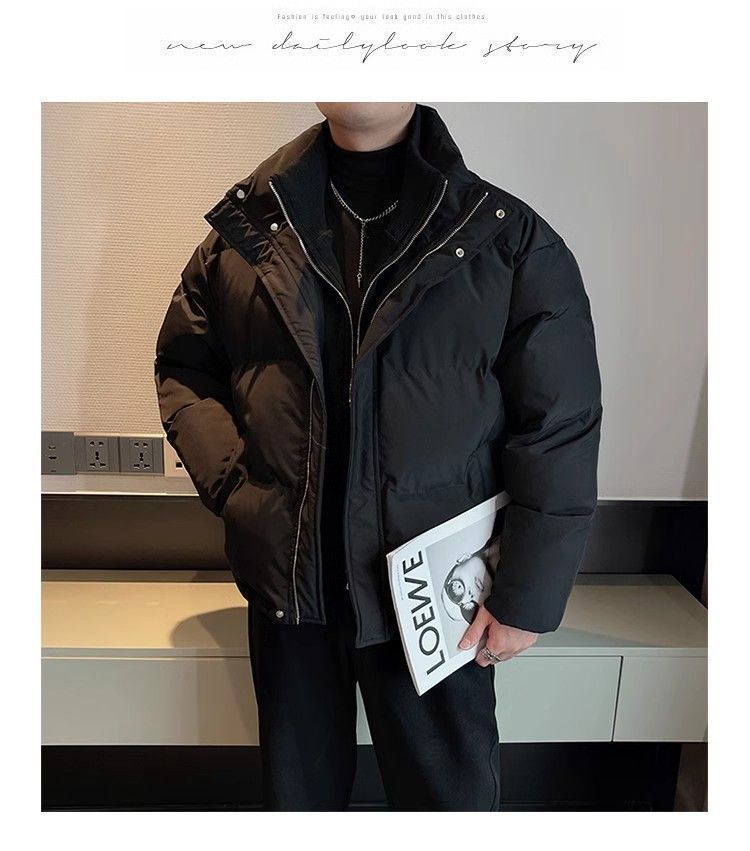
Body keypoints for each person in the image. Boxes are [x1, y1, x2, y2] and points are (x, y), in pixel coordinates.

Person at [153, 102, 603, 811]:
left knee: (447, 811)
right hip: (292, 593)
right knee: (298, 812)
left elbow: (558, 426)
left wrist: (526, 594)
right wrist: (239, 488)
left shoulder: (506, 240)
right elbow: (186, 368)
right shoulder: (248, 233)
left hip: (435, 598)